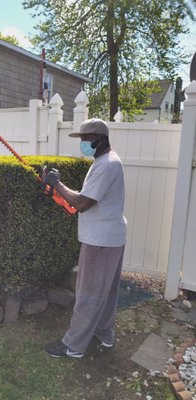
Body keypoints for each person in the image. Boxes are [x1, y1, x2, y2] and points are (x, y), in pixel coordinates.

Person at [42, 118, 127, 358]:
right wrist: (57, 189)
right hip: (110, 237)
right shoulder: (106, 161)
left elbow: (82, 203)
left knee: (88, 293)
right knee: (105, 293)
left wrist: (57, 182)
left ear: (99, 139)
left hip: (100, 241)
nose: (82, 143)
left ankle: (74, 346)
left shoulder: (106, 165)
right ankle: (104, 334)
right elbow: (83, 198)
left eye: (86, 139)